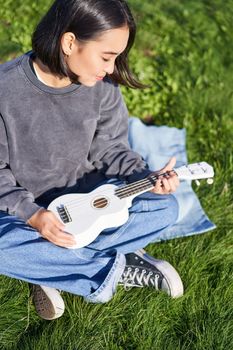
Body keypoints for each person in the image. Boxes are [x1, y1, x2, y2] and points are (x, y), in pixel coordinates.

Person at [0, 0, 183, 321]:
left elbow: (111, 149)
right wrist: (33, 216)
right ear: (69, 43)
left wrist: (146, 177)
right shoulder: (5, 90)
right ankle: (110, 269)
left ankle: (49, 268)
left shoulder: (102, 86)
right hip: (27, 212)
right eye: (107, 57)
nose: (111, 69)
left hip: (91, 200)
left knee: (165, 208)